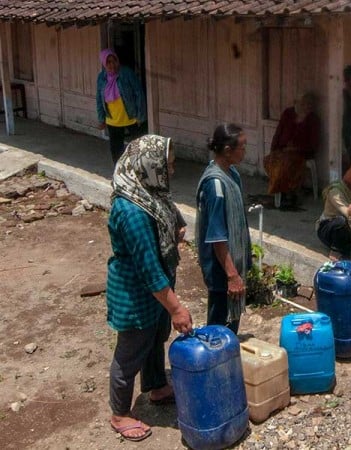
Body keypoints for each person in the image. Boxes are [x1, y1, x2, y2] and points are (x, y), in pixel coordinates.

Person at [106, 135, 192, 442]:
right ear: (148, 165)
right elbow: (148, 268)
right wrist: (177, 307)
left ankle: (156, 386)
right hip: (136, 291)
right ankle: (119, 412)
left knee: (155, 337)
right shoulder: (131, 210)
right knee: (130, 351)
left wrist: (175, 229)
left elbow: (171, 219)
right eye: (167, 165)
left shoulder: (151, 193)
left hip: (155, 290)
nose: (171, 170)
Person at [196, 124, 252, 335]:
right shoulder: (216, 185)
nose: (245, 151)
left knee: (231, 321)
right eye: (242, 147)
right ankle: (216, 364)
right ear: (228, 150)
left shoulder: (232, 174)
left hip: (232, 264)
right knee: (220, 326)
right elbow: (217, 236)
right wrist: (232, 275)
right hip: (222, 268)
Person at [263, 92, 321, 206]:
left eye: (310, 105)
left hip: (300, 153)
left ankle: (287, 192)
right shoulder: (288, 113)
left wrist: (296, 148)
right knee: (270, 160)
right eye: (305, 103)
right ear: (299, 103)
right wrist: (274, 149)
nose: (307, 106)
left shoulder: (313, 120)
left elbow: (314, 143)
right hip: (282, 150)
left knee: (287, 164)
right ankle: (282, 191)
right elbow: (278, 132)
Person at [96, 49, 146, 165]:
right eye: (108, 62)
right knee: (116, 150)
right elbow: (99, 98)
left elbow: (138, 93)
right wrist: (101, 119)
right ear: (104, 63)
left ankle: (140, 170)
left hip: (131, 117)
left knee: (138, 147)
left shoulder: (126, 73)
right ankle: (119, 173)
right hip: (112, 120)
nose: (112, 65)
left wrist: (140, 115)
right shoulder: (101, 78)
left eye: (114, 61)